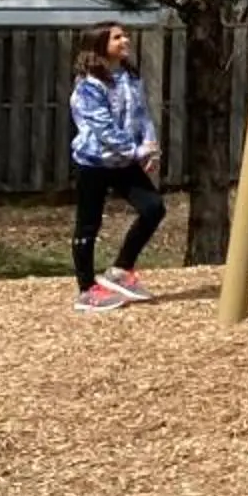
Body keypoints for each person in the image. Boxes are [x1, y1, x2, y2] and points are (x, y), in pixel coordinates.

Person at [67, 22, 165, 312]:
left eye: (125, 35)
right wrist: (136, 151)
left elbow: (142, 114)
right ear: (100, 44)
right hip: (94, 163)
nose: (126, 40)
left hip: (124, 161)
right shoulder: (89, 84)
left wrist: (151, 148)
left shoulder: (129, 76)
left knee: (153, 208)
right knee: (88, 224)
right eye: (117, 37)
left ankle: (121, 270)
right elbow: (103, 129)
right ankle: (86, 291)